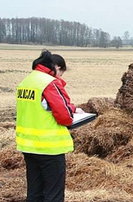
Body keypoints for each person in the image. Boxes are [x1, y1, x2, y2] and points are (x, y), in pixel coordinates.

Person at [15, 50, 83, 201]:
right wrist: (72, 111)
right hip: (49, 148)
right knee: (53, 194)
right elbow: (64, 116)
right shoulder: (49, 83)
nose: (60, 76)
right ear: (57, 67)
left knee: (34, 192)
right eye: (61, 72)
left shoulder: (26, 82)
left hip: (28, 146)